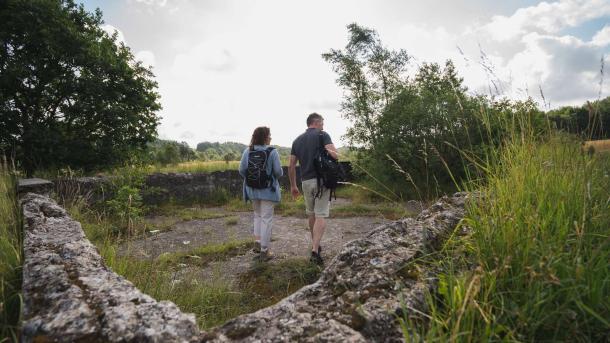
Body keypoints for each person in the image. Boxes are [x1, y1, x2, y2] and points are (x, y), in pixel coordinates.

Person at [288, 113, 338, 265]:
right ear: (316, 122)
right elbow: (334, 155)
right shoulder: (323, 135)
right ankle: (315, 250)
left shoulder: (297, 140)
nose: (323, 125)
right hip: (321, 181)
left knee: (311, 214)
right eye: (322, 122)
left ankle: (315, 243)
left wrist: (293, 186)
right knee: (321, 214)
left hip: (305, 182)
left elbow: (291, 166)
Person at [239, 126, 283, 261]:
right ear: (265, 137)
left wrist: (253, 180)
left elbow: (241, 170)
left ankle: (257, 243)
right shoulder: (272, 152)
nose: (270, 137)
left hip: (252, 190)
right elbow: (278, 172)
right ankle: (265, 250)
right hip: (268, 191)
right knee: (267, 219)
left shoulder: (248, 151)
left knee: (257, 216)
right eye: (269, 135)